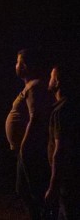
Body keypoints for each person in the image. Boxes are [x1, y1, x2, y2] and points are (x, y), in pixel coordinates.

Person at [7, 48, 56, 219]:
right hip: (25, 149)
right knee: (25, 190)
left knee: (30, 191)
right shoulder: (31, 86)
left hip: (29, 151)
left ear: (25, 65)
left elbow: (35, 119)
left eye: (18, 61)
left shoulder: (35, 87)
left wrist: (25, 147)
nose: (16, 65)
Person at [46, 63, 80, 219]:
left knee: (67, 212)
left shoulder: (61, 111)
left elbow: (59, 151)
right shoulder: (69, 106)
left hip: (66, 177)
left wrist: (53, 186)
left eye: (51, 77)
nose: (49, 80)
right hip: (70, 174)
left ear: (57, 82)